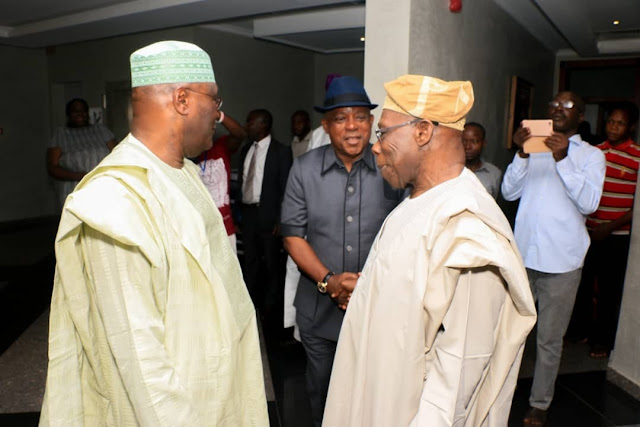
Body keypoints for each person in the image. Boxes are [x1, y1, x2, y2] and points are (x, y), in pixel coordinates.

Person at [40, 40, 268, 426]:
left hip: (213, 394)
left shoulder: (185, 174)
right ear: (182, 99)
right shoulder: (114, 198)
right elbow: (139, 359)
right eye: (214, 99)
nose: (219, 112)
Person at [323, 74, 537, 427]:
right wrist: (370, 291)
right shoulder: (420, 199)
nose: (374, 146)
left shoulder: (468, 231)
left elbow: (459, 372)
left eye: (384, 132)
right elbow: (420, 297)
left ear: (422, 131)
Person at [280, 76, 404, 426]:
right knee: (323, 390)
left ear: (371, 123)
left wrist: (368, 284)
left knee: (375, 393)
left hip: (380, 306)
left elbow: (406, 229)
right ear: (326, 125)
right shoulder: (303, 169)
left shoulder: (391, 165)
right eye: (341, 118)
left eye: (361, 117)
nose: (352, 127)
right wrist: (330, 282)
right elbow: (292, 235)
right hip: (320, 309)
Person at [501, 91, 606, 426]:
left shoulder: (592, 156)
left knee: (548, 340)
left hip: (563, 264)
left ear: (581, 116)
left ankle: (540, 404)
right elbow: (508, 191)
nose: (559, 109)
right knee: (509, 333)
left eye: (568, 105)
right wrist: (520, 152)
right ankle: (500, 392)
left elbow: (590, 203)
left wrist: (562, 159)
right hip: (524, 258)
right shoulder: (534, 147)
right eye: (554, 105)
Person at [574, 102, 639, 359]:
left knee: (610, 291)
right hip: (586, 233)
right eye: (611, 121)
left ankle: (602, 340)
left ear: (631, 127)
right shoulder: (593, 152)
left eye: (620, 123)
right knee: (583, 285)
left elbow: (637, 205)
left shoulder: (637, 156)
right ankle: (580, 331)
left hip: (617, 236)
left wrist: (610, 227)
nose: (613, 127)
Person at [239, 109, 292, 328]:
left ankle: (270, 312)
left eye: (251, 122)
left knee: (271, 265)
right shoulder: (246, 150)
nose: (247, 126)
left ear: (264, 125)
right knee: (249, 262)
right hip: (249, 214)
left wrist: (282, 219)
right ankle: (249, 306)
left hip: (269, 216)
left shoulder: (281, 151)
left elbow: (287, 187)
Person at [47, 98, 117, 209]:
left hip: (104, 187)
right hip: (75, 190)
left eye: (83, 111)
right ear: (68, 114)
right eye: (75, 111)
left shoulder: (101, 130)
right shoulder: (61, 134)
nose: (80, 114)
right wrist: (81, 176)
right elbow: (52, 167)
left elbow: (117, 155)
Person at [197, 110, 247, 253]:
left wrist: (218, 115)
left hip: (224, 226)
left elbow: (241, 134)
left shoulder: (220, 147)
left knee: (229, 273)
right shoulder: (186, 153)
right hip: (200, 228)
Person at [462, 121, 502, 199]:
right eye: (463, 141)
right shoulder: (448, 170)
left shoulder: (494, 173)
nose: (467, 147)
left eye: (474, 141)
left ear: (484, 143)